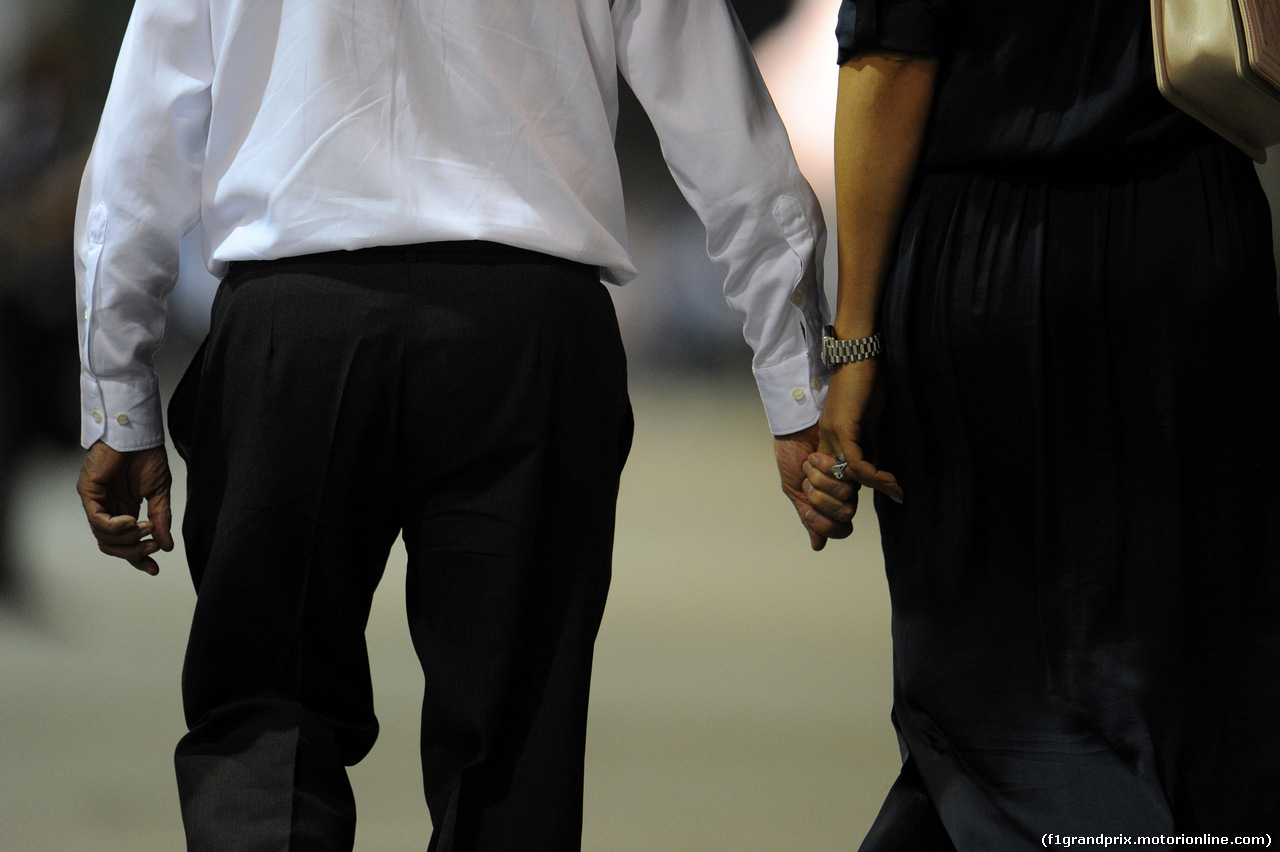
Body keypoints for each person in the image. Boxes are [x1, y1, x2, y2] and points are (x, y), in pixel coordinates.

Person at [72, 1, 847, 849]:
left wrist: (119, 397)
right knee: (515, 742)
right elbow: (727, 134)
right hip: (528, 329)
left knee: (268, 718)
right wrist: (798, 387)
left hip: (295, 323)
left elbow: (143, 135)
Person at [804, 0, 1280, 846]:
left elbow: (894, 60)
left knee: (1003, 692)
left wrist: (855, 342)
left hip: (996, 259)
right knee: (1182, 664)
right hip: (1196, 247)